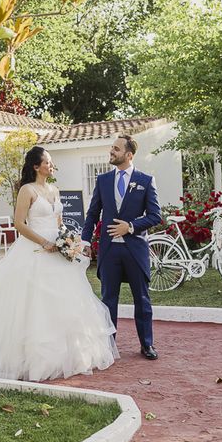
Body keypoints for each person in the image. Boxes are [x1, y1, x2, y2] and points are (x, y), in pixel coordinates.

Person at [0, 146, 118, 381]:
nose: (51, 164)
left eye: (51, 161)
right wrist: (44, 242)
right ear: (36, 166)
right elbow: (19, 223)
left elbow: (59, 222)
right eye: (47, 161)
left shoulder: (54, 190)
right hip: (34, 250)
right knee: (32, 306)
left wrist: (67, 241)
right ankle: (30, 360)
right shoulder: (27, 190)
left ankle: (70, 357)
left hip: (58, 251)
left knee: (66, 304)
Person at [81, 134, 162, 360]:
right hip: (109, 251)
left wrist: (131, 227)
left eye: (116, 149)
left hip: (135, 249)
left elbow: (156, 216)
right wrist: (85, 240)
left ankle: (147, 345)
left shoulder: (145, 180)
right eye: (111, 148)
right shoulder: (103, 180)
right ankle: (108, 346)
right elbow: (93, 213)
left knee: (142, 300)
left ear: (128, 154)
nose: (111, 152)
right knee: (108, 300)